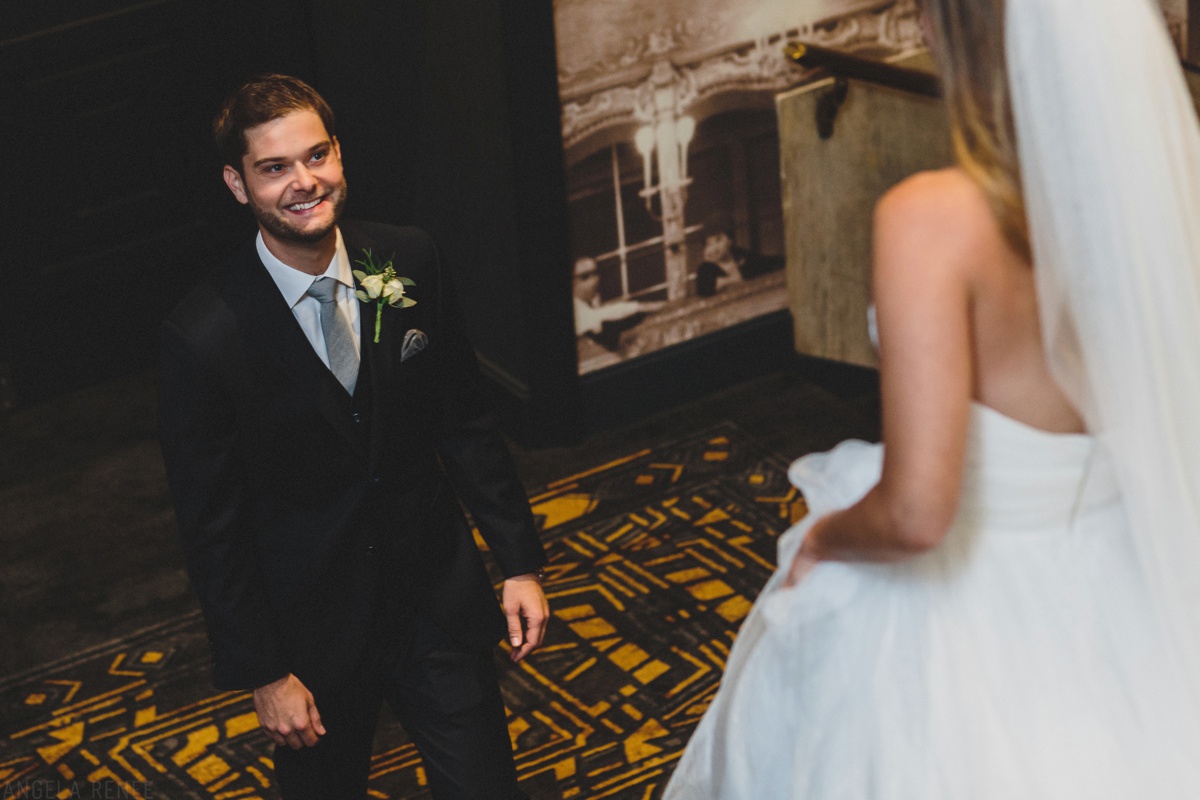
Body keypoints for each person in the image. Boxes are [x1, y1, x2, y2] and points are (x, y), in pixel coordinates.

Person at [664, 0, 1200, 796]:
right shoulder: (1154, 192)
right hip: (1123, 571)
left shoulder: (931, 221)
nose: (915, 23)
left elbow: (918, 513)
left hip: (973, 618)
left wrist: (822, 539)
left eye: (927, 9)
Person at [158, 74, 549, 800]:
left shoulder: (409, 259)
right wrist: (265, 673)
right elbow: (213, 526)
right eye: (274, 168)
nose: (304, 182)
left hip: (437, 600)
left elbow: (463, 420)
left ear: (339, 155)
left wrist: (519, 562)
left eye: (317, 156)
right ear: (237, 184)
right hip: (314, 639)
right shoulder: (204, 335)